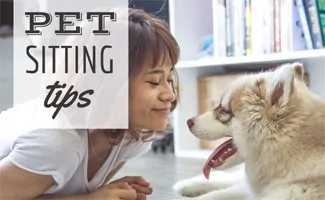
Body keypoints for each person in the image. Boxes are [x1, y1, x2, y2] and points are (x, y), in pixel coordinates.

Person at [0, 8, 180, 200]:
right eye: (154, 82)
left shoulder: (130, 137)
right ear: (107, 85)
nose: (170, 95)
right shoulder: (57, 143)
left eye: (169, 79)